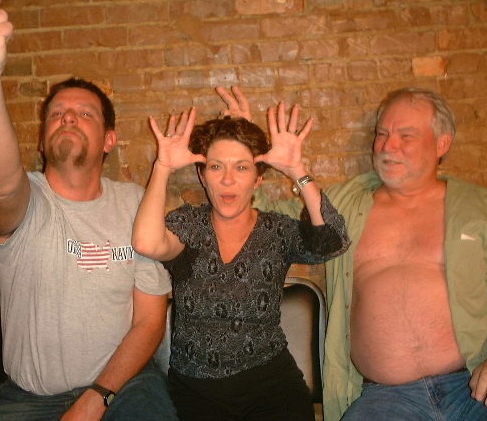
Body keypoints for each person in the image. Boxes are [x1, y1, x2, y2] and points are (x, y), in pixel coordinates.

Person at [218, 86, 487, 421]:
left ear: (442, 143)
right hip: (386, 400)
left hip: (476, 385)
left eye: (406, 135)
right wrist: (240, 148)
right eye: (382, 134)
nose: (388, 146)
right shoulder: (342, 206)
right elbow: (256, 222)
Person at [0, 0, 178, 420]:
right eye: (57, 114)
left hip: (125, 386)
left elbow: (150, 320)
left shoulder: (136, 203)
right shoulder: (28, 202)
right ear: (41, 139)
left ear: (109, 140)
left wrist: (96, 398)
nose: (68, 118)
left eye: (84, 114)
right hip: (28, 399)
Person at [131, 104, 350, 420]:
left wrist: (296, 170)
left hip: (271, 387)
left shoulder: (277, 231)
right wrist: (163, 167)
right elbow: (147, 243)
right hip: (194, 392)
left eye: (242, 168)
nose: (228, 180)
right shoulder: (189, 225)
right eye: (216, 167)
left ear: (258, 179)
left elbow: (333, 242)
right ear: (202, 175)